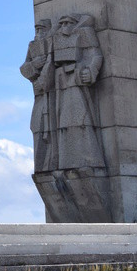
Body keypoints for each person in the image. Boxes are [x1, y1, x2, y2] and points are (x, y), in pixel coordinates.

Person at [52, 14, 105, 170]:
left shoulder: (83, 33)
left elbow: (96, 55)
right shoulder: (58, 38)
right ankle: (69, 159)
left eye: (68, 22)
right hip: (62, 80)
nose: (64, 26)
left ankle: (89, 158)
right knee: (64, 123)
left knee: (83, 118)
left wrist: (91, 70)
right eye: (61, 23)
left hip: (77, 77)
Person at [21, 19, 55, 172]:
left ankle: (50, 163)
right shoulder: (32, 46)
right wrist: (35, 64)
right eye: (37, 30)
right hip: (40, 95)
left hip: (52, 94)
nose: (38, 33)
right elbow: (24, 68)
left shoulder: (54, 42)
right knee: (36, 126)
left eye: (42, 29)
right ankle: (42, 167)